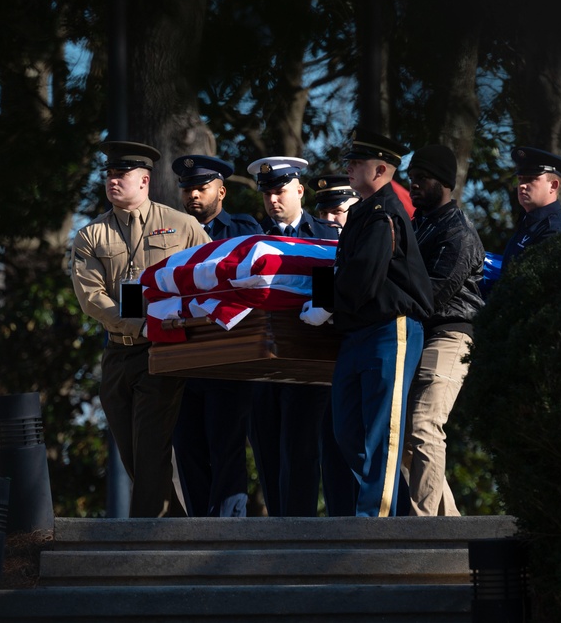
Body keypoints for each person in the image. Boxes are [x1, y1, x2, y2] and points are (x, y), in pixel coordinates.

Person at [70, 140, 210, 517]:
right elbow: (91, 297)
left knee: (150, 446)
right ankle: (175, 524)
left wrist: (190, 324)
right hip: (117, 351)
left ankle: (139, 538)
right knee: (134, 453)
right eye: (109, 174)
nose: (113, 181)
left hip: (162, 352)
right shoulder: (91, 235)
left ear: (144, 180)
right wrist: (136, 323)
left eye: (122, 174)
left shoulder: (183, 226)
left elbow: (211, 275)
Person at [304, 128, 433, 517]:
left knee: (382, 432)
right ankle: (396, 510)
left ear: (380, 170)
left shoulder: (383, 213)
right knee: (347, 430)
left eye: (356, 163)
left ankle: (374, 523)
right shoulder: (365, 212)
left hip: (387, 330)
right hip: (358, 332)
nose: (349, 167)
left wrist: (327, 304)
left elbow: (363, 275)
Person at [245, 155, 353, 516]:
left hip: (310, 358)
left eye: (280, 191)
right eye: (267, 194)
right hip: (262, 361)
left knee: (302, 450)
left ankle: (302, 534)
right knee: (269, 453)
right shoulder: (251, 241)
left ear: (299, 190)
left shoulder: (326, 236)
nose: (273, 200)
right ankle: (279, 535)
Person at [170, 154, 262, 517]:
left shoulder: (242, 230)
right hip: (183, 354)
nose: (193, 195)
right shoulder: (170, 233)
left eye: (201, 188)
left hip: (228, 356)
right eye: (187, 188)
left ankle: (228, 532)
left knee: (226, 447)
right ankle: (197, 532)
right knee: (187, 448)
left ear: (221, 191)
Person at [399, 143, 485, 517]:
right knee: (404, 437)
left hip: (450, 335)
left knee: (424, 425)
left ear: (445, 183)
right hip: (420, 333)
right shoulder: (420, 224)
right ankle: (449, 525)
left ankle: (427, 529)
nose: (414, 185)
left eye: (422, 178)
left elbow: (431, 294)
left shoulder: (459, 232)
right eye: (412, 178)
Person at [501, 146, 561, 271]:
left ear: (553, 185)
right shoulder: (529, 221)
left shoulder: (555, 230)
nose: (522, 185)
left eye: (531, 179)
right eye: (520, 179)